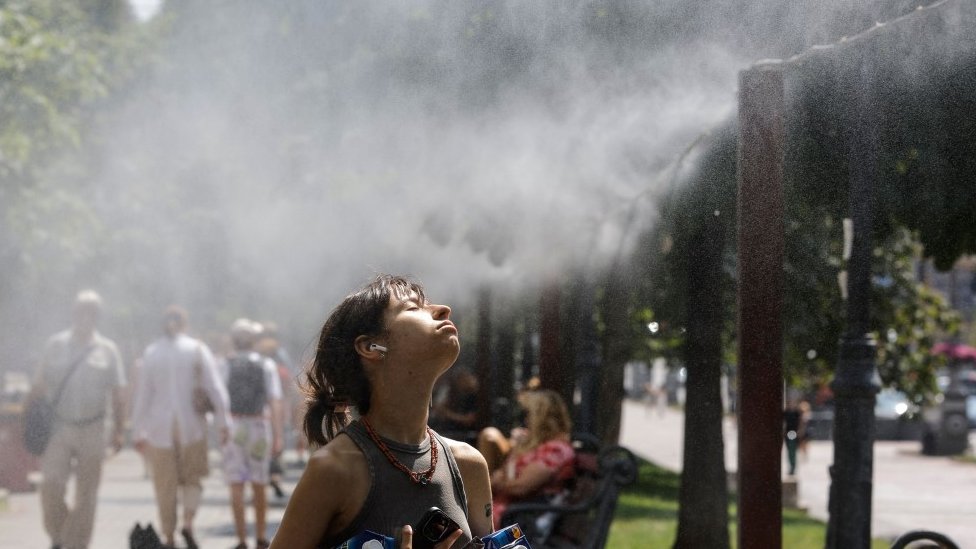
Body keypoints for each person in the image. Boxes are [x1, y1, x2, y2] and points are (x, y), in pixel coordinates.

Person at [270, 275, 493, 549]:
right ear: (371, 347)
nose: (443, 309)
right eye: (413, 307)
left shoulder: (469, 465)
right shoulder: (335, 469)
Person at [31, 290, 126, 549]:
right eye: (81, 310)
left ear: (97, 316)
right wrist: (27, 423)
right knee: (51, 484)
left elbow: (118, 393)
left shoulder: (108, 350)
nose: (85, 316)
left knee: (87, 495)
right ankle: (60, 535)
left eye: (91, 311)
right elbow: (38, 387)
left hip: (94, 428)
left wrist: (119, 430)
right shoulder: (55, 345)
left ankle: (75, 545)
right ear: (73, 313)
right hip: (59, 426)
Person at [131, 306, 230, 549]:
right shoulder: (197, 350)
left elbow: (143, 396)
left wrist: (137, 432)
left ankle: (169, 536)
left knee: (165, 485)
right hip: (192, 426)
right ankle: (188, 522)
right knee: (193, 479)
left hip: (159, 429)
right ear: (185, 324)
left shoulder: (152, 353)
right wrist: (223, 422)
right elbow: (215, 388)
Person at [221, 318, 284, 549]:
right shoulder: (265, 365)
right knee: (259, 482)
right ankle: (260, 536)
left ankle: (240, 539)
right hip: (259, 426)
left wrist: (220, 428)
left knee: (236, 483)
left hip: (235, 425)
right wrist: (278, 435)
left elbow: (220, 399)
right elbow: (274, 400)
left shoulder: (226, 364)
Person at [478, 389, 575, 529]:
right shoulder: (540, 445)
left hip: (516, 519)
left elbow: (519, 487)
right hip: (507, 512)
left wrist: (493, 483)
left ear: (541, 417)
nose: (526, 420)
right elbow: (508, 476)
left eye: (528, 414)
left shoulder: (556, 450)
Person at [430, 369, 479, 434]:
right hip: (446, 431)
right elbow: (437, 409)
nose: (463, 382)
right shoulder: (452, 393)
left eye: (465, 378)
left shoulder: (474, 397)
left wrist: (447, 413)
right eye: (461, 379)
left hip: (465, 432)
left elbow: (469, 420)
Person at [783, 397, 809, 477]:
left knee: (792, 450)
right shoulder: (786, 412)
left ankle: (792, 467)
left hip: (793, 433)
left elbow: (801, 422)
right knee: (790, 451)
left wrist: (800, 431)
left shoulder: (797, 412)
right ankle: (792, 467)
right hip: (788, 432)